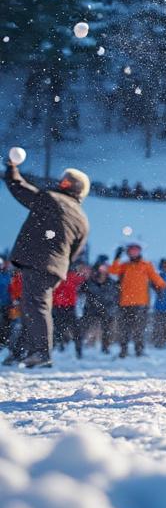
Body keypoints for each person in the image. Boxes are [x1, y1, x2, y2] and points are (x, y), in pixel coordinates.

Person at [2, 157, 89, 368]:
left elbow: (20, 189)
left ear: (71, 186)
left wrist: (11, 169)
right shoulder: (82, 219)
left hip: (39, 261)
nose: (61, 182)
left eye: (66, 181)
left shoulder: (52, 199)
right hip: (56, 268)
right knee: (33, 305)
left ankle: (41, 353)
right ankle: (33, 352)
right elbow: (75, 251)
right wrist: (61, 264)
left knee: (35, 306)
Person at [108, 244, 166, 359]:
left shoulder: (146, 265)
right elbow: (113, 271)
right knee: (123, 328)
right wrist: (116, 257)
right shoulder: (124, 266)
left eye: (136, 251)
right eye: (131, 251)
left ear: (140, 252)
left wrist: (162, 287)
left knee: (138, 328)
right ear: (128, 253)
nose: (133, 253)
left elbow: (156, 278)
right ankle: (123, 351)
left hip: (141, 302)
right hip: (124, 302)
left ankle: (139, 351)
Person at [80, 262, 119, 355]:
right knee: (86, 329)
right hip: (91, 310)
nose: (101, 272)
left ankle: (106, 348)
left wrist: (112, 309)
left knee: (108, 331)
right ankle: (84, 347)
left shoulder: (112, 283)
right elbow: (82, 295)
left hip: (107, 310)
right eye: (99, 270)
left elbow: (116, 297)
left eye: (104, 270)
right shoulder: (88, 282)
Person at [52, 262, 86, 358]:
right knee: (58, 330)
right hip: (58, 307)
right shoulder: (56, 277)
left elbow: (84, 278)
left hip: (69, 307)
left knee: (75, 330)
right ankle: (59, 348)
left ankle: (77, 351)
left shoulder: (72, 276)